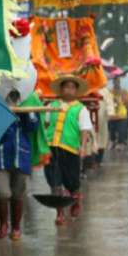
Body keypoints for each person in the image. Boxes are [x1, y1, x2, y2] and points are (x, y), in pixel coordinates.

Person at [42, 74, 94, 226]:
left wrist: (83, 147)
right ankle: (60, 213)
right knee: (55, 181)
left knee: (72, 182)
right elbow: (45, 126)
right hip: (51, 148)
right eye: (66, 87)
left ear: (76, 91)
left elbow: (84, 130)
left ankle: (76, 200)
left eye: (72, 87)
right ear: (61, 89)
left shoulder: (81, 109)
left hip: (70, 149)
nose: (68, 90)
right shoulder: (51, 106)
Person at [0, 90, 37, 241]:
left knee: (18, 193)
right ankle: (4, 224)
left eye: (14, 95)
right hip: (1, 156)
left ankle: (16, 227)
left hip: (21, 155)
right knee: (3, 192)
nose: (12, 98)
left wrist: (27, 113)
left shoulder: (27, 105)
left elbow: (33, 127)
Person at [108, 77, 128, 147]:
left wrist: (121, 100)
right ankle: (113, 141)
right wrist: (113, 100)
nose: (116, 83)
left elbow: (127, 101)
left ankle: (120, 143)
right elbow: (108, 101)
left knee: (121, 131)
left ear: (119, 82)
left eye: (118, 81)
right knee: (112, 131)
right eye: (115, 81)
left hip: (122, 115)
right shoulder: (110, 92)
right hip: (112, 116)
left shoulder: (123, 91)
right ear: (113, 82)